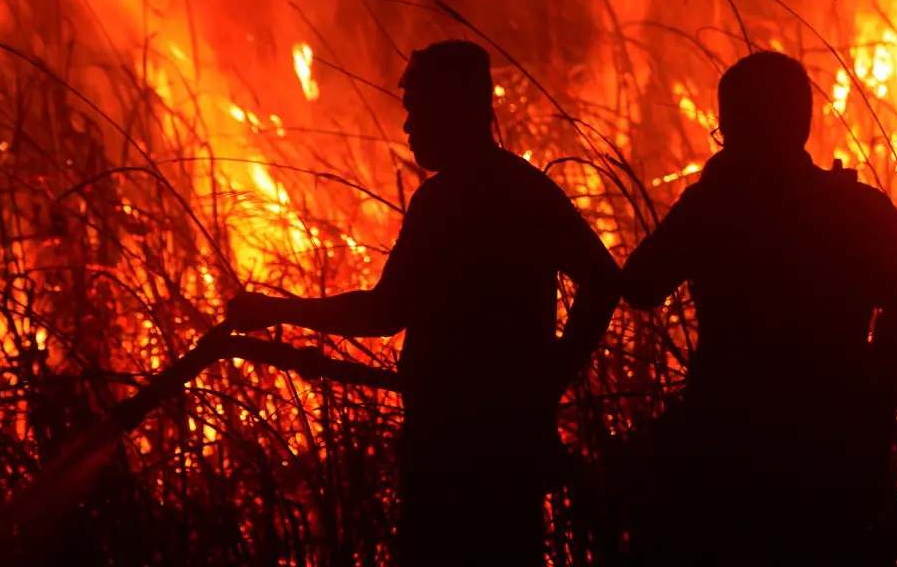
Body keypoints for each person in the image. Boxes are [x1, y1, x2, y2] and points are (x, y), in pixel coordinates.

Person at [224, 40, 621, 566]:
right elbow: (603, 281)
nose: (409, 128)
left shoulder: (446, 202)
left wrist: (278, 311)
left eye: (418, 111)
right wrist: (548, 379)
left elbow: (383, 313)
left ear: (458, 109)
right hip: (509, 439)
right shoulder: (527, 189)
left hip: (451, 443)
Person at [620, 51, 897, 564]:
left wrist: (712, 184)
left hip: (728, 445)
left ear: (729, 126)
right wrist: (875, 398)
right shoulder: (859, 208)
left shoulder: (714, 207)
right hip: (833, 444)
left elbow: (639, 286)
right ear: (803, 124)